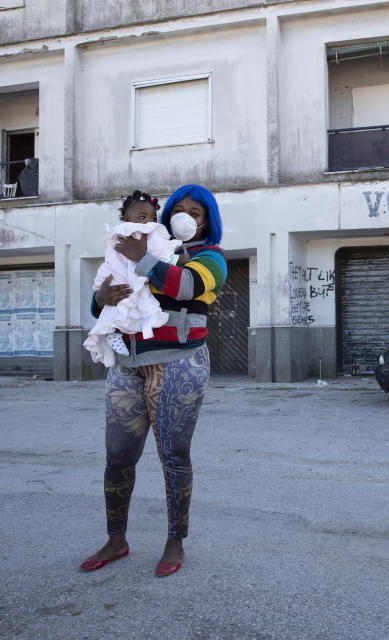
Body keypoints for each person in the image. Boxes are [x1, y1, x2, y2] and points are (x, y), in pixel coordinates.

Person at [80, 184, 227, 577]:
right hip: (127, 364)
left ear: (206, 221)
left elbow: (184, 286)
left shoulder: (211, 257)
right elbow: (106, 294)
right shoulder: (140, 246)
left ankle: (174, 542)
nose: (186, 217)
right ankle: (117, 539)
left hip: (179, 363)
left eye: (195, 212)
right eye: (179, 209)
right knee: (117, 457)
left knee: (174, 458)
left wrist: (142, 256)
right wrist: (101, 297)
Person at [83, 190, 183, 368]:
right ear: (127, 219)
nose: (148, 223)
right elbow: (160, 252)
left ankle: (103, 340)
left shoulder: (119, 233)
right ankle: (107, 338)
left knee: (122, 307)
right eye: (142, 217)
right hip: (120, 274)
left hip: (113, 274)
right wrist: (175, 258)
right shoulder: (142, 234)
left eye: (153, 218)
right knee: (131, 303)